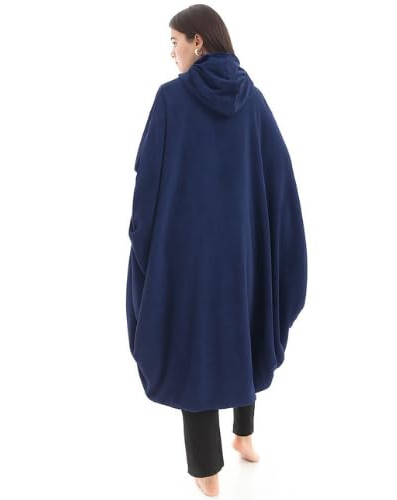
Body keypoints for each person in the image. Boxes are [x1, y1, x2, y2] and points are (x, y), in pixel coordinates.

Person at [126, 4, 308, 496]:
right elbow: (279, 177)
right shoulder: (253, 99)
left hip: (188, 254)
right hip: (243, 250)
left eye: (175, 42)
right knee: (245, 328)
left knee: (197, 347)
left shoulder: (171, 99)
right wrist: (268, 238)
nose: (172, 53)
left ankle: (207, 471)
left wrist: (144, 239)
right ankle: (243, 435)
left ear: (198, 41)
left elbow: (149, 180)